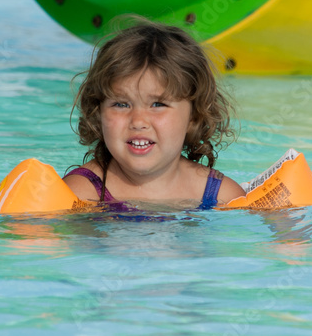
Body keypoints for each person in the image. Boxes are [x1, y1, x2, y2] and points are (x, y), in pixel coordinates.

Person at [64, 16, 246, 209]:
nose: (138, 121)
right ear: (98, 113)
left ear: (194, 116)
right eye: (121, 104)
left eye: (158, 104)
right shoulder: (80, 193)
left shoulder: (223, 196)